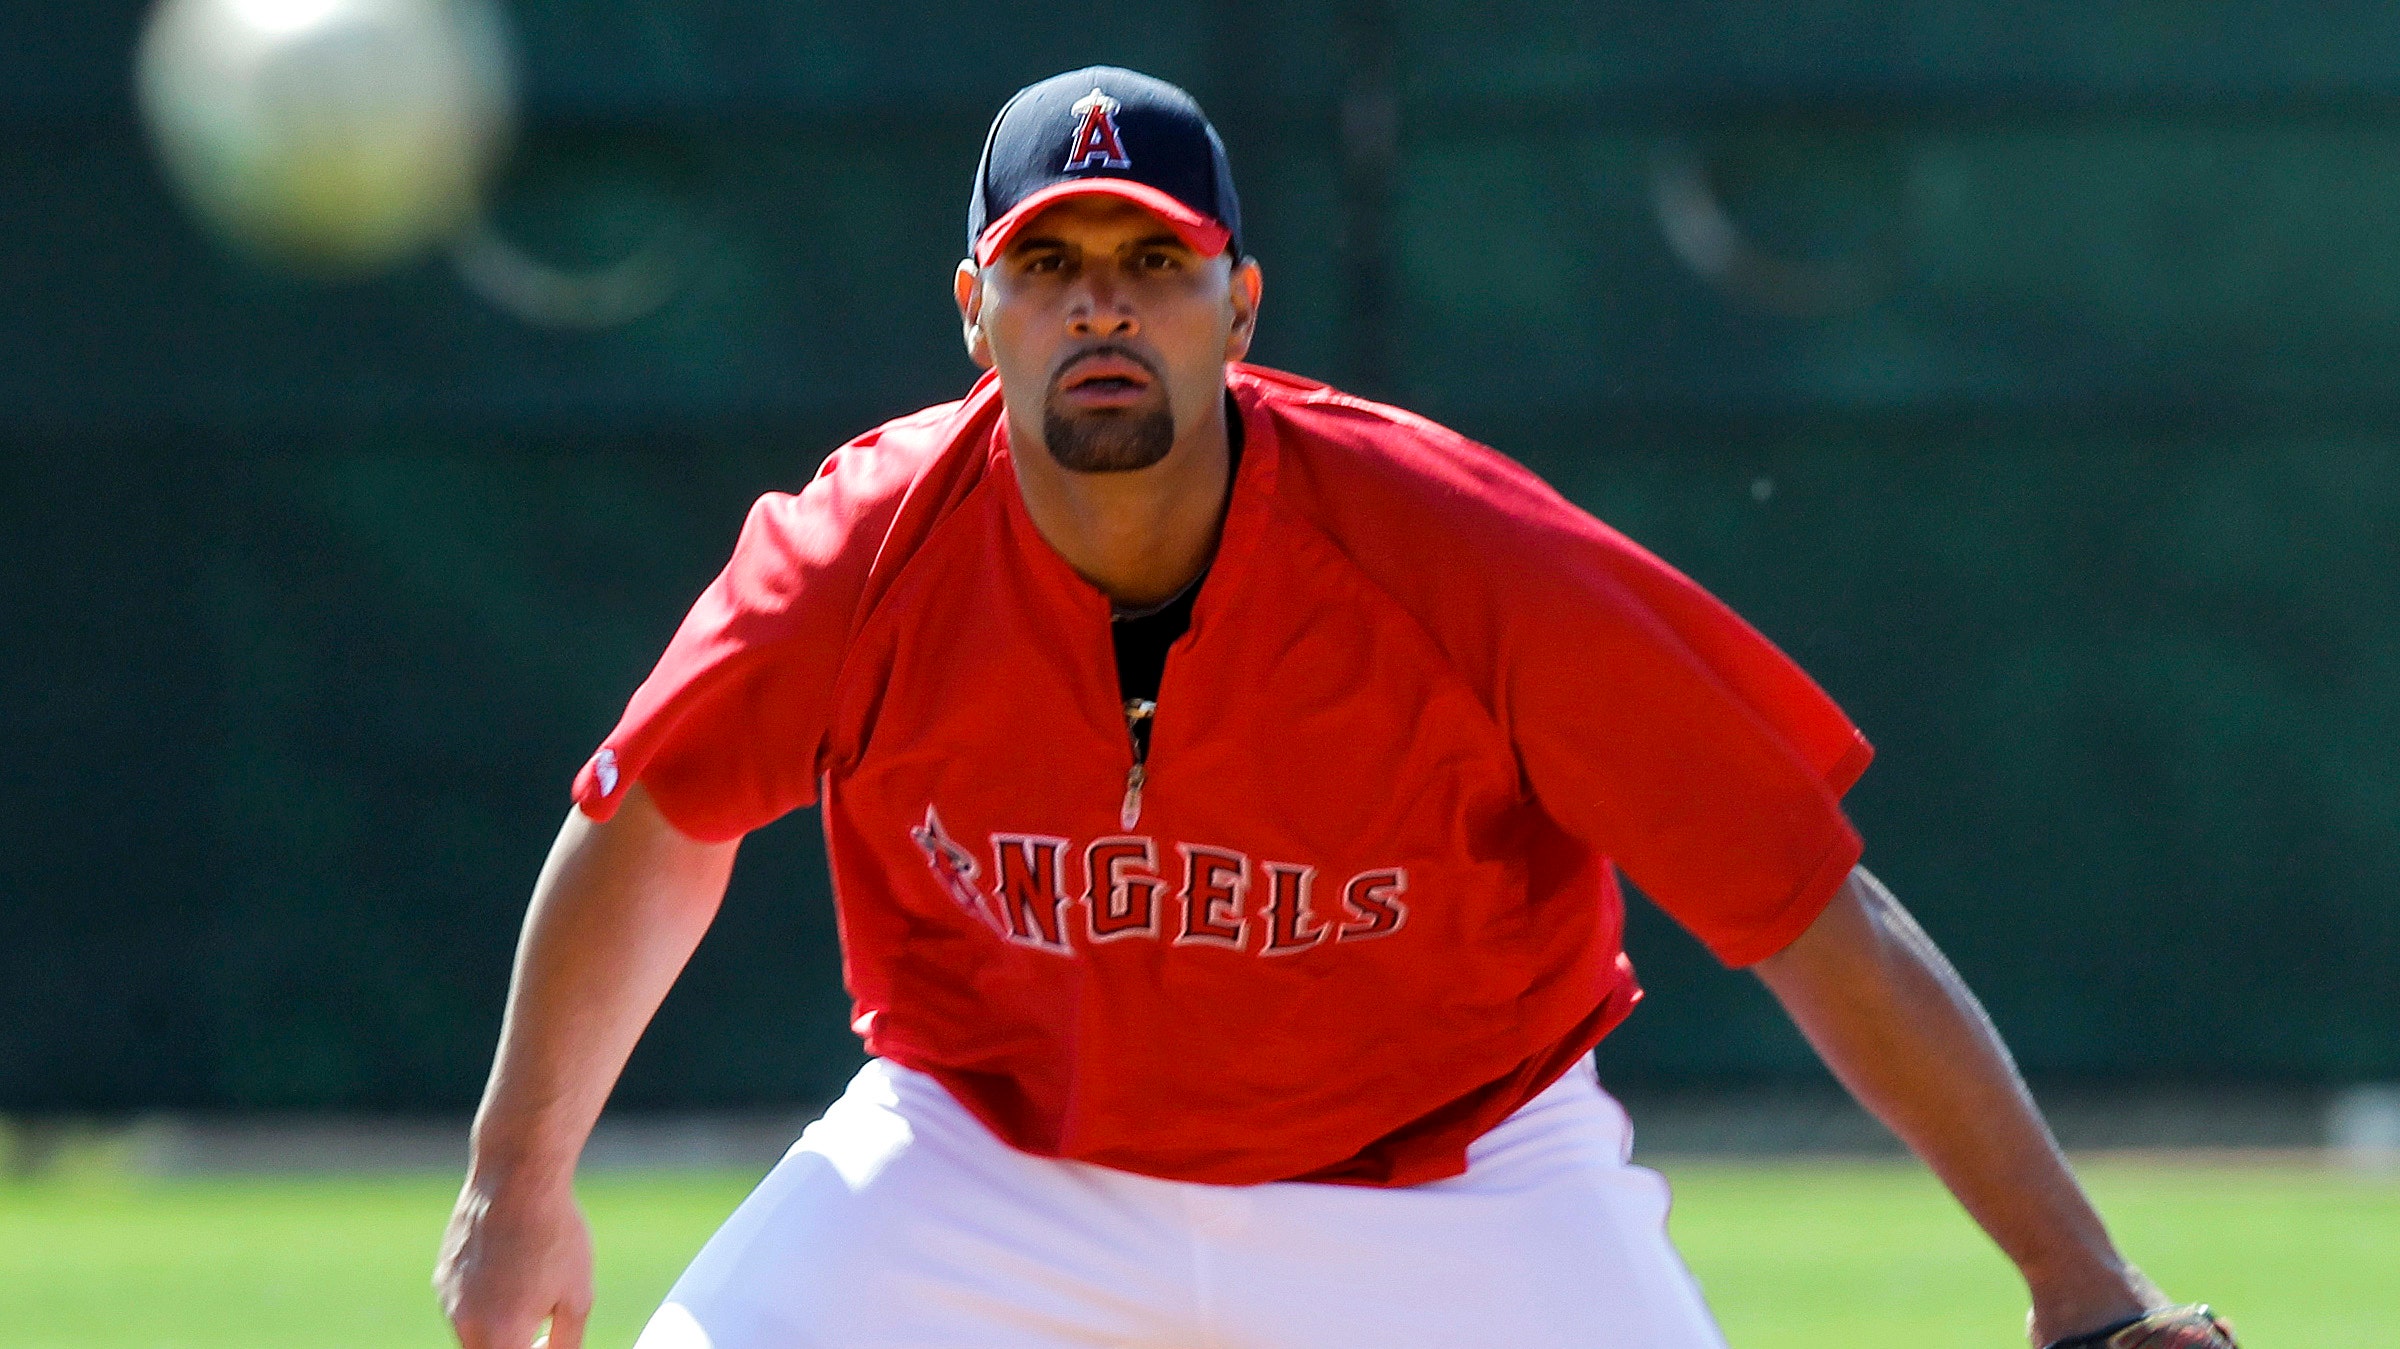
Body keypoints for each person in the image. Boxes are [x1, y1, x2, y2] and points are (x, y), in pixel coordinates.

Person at [435, 66, 2236, 1349]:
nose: (1105, 310)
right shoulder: (866, 547)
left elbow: (1803, 903)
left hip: (1452, 1190)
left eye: (1154, 263)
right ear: (977, 312)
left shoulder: (1457, 552)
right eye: (1055, 267)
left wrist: (2082, 1287)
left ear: (1241, 305)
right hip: (988, 1166)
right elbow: (652, 819)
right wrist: (518, 1179)